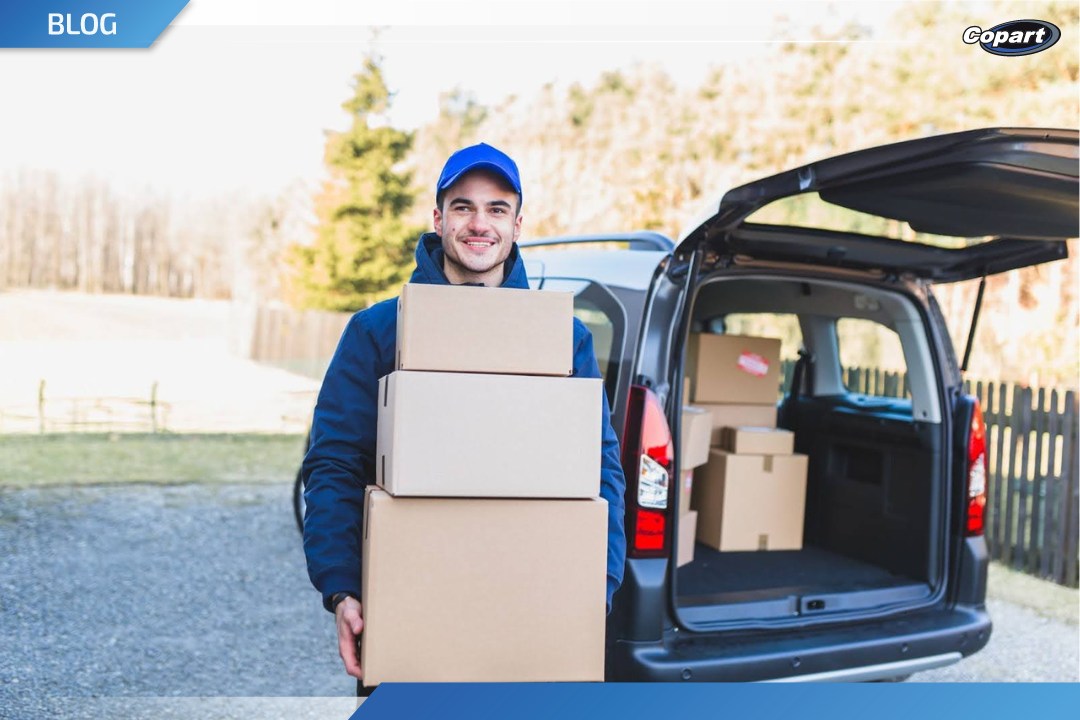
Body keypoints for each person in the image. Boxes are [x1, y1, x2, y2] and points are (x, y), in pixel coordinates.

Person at [301, 143, 627, 694]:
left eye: (497, 209)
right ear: (438, 218)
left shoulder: (563, 340)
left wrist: (599, 582)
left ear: (518, 224)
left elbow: (600, 464)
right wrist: (341, 587)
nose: (480, 224)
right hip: (411, 610)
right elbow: (334, 463)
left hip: (527, 611)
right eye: (463, 207)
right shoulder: (378, 331)